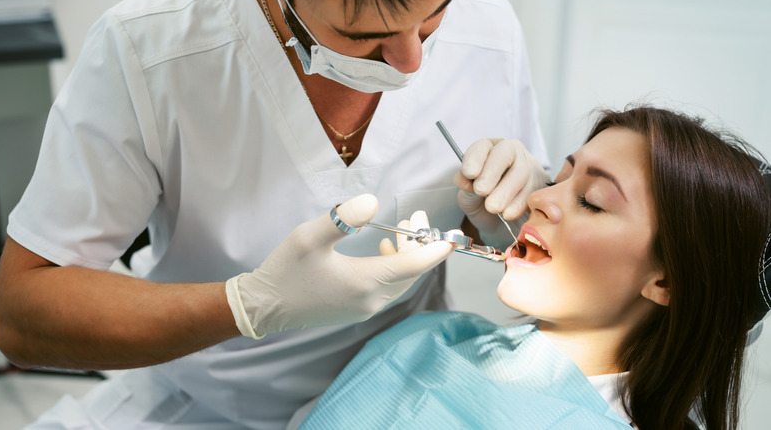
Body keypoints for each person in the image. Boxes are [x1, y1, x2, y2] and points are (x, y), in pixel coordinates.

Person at [0, 0, 550, 427]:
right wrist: (249, 304)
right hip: (203, 405)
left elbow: (526, 248)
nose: (412, 61)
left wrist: (503, 211)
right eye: (363, 34)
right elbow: (19, 314)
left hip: (405, 394)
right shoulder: (149, 47)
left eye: (435, 14)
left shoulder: (489, 26)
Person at [292, 106, 771, 430]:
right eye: (560, 177)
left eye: (591, 201)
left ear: (668, 280)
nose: (539, 198)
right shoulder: (433, 337)